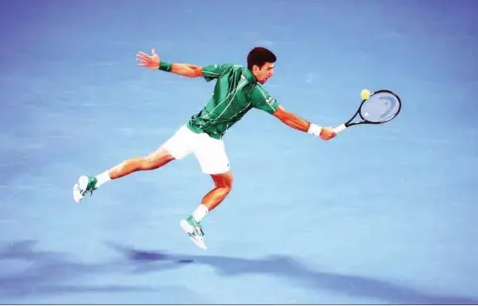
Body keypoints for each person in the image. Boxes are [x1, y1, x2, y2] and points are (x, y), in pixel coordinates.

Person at [72, 47, 337, 249]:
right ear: (255, 69)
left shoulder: (229, 68)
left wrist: (161, 65)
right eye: (269, 68)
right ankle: (193, 220)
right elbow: (285, 116)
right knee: (224, 186)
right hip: (209, 140)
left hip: (190, 130)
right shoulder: (255, 92)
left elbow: (195, 70)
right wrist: (318, 130)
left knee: (147, 161)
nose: (272, 73)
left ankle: (92, 181)